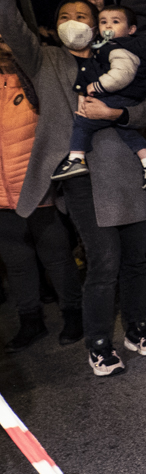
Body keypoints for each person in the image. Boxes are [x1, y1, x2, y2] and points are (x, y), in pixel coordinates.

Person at [0, 0, 146, 376]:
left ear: (98, 24)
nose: (75, 22)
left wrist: (116, 111)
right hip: (83, 175)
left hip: (129, 170)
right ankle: (98, 342)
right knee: (104, 260)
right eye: (66, 16)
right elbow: (13, 28)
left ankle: (137, 328)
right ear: (54, 26)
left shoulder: (117, 54)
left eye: (84, 16)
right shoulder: (46, 60)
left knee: (135, 259)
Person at [0, 28, 83, 352]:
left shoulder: (35, 81)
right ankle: (30, 320)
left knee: (57, 257)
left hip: (37, 186)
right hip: (1, 195)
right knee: (17, 260)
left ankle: (73, 313)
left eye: (7, 39)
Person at [49, 5, 146, 189]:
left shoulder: (118, 47)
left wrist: (97, 87)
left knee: (82, 122)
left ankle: (76, 159)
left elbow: (122, 74)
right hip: (127, 100)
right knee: (127, 132)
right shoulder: (112, 48)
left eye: (115, 22)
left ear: (132, 29)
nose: (108, 26)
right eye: (103, 22)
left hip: (117, 98)